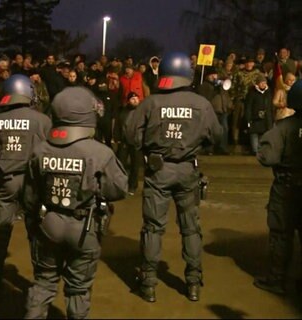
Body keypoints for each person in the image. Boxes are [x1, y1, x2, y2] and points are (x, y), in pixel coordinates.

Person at [22, 86, 128, 318]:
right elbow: (118, 189)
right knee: (78, 289)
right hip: (84, 228)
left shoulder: (40, 150)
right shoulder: (100, 152)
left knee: (43, 283)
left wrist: (33, 226)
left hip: (48, 223)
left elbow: (29, 196)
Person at [125, 52, 222, 303]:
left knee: (153, 228)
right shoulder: (201, 103)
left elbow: (130, 135)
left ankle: (148, 284)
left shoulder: (151, 103)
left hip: (158, 171)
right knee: (190, 229)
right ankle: (193, 283)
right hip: (188, 170)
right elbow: (217, 136)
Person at [0, 74, 52, 300]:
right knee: (37, 233)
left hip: (6, 181)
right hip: (33, 184)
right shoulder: (42, 120)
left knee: (0, 232)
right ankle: (40, 284)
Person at [253, 80, 302, 295]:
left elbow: (267, 157)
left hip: (287, 188)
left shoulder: (284, 128)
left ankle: (276, 279)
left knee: (281, 234)